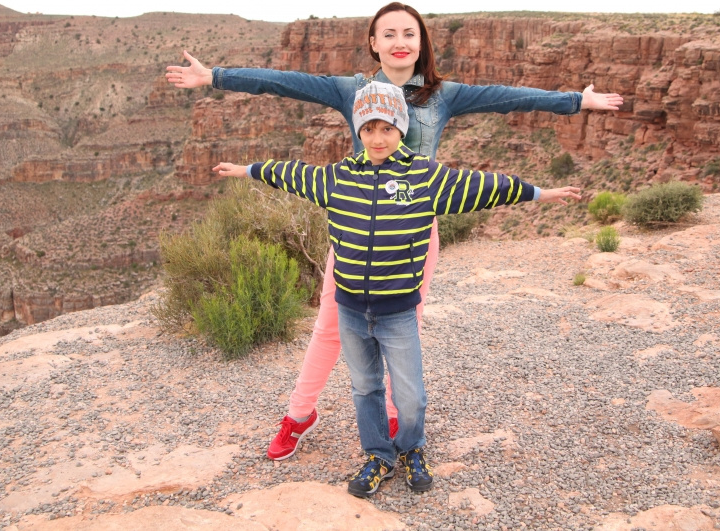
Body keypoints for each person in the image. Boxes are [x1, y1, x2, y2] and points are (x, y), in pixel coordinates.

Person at [166, 2, 623, 460]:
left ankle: (389, 413)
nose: (400, 42)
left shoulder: (445, 96)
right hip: (355, 229)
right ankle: (300, 413)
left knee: (405, 326)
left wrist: (576, 102)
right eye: (389, 34)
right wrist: (215, 77)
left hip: (415, 233)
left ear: (421, 42)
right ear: (373, 43)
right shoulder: (352, 90)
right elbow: (285, 83)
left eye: (409, 33)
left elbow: (510, 97)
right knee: (329, 326)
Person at [212, 80, 584, 497]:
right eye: (368, 129)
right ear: (358, 131)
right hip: (350, 309)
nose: (377, 138)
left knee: (409, 395)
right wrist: (245, 170)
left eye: (387, 128)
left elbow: (483, 186)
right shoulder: (336, 179)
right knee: (365, 388)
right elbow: (290, 173)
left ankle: (411, 448)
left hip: (398, 311)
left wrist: (540, 193)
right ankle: (378, 456)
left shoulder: (424, 178)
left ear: (401, 129)